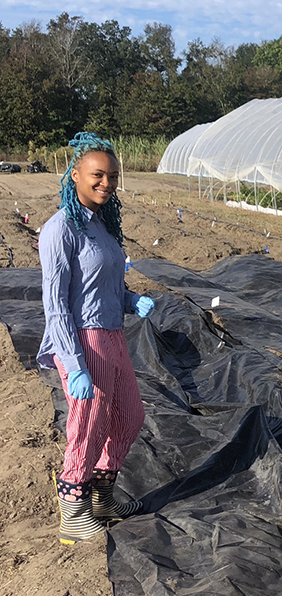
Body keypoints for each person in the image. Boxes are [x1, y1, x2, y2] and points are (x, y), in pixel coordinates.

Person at [38, 132, 156, 544]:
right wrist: (73, 366)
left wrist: (130, 298)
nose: (107, 183)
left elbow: (100, 285)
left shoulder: (104, 227)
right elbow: (55, 305)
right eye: (97, 176)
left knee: (129, 417)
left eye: (112, 176)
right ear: (75, 176)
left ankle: (102, 497)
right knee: (88, 423)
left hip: (112, 335)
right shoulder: (60, 230)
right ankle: (73, 511)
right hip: (82, 340)